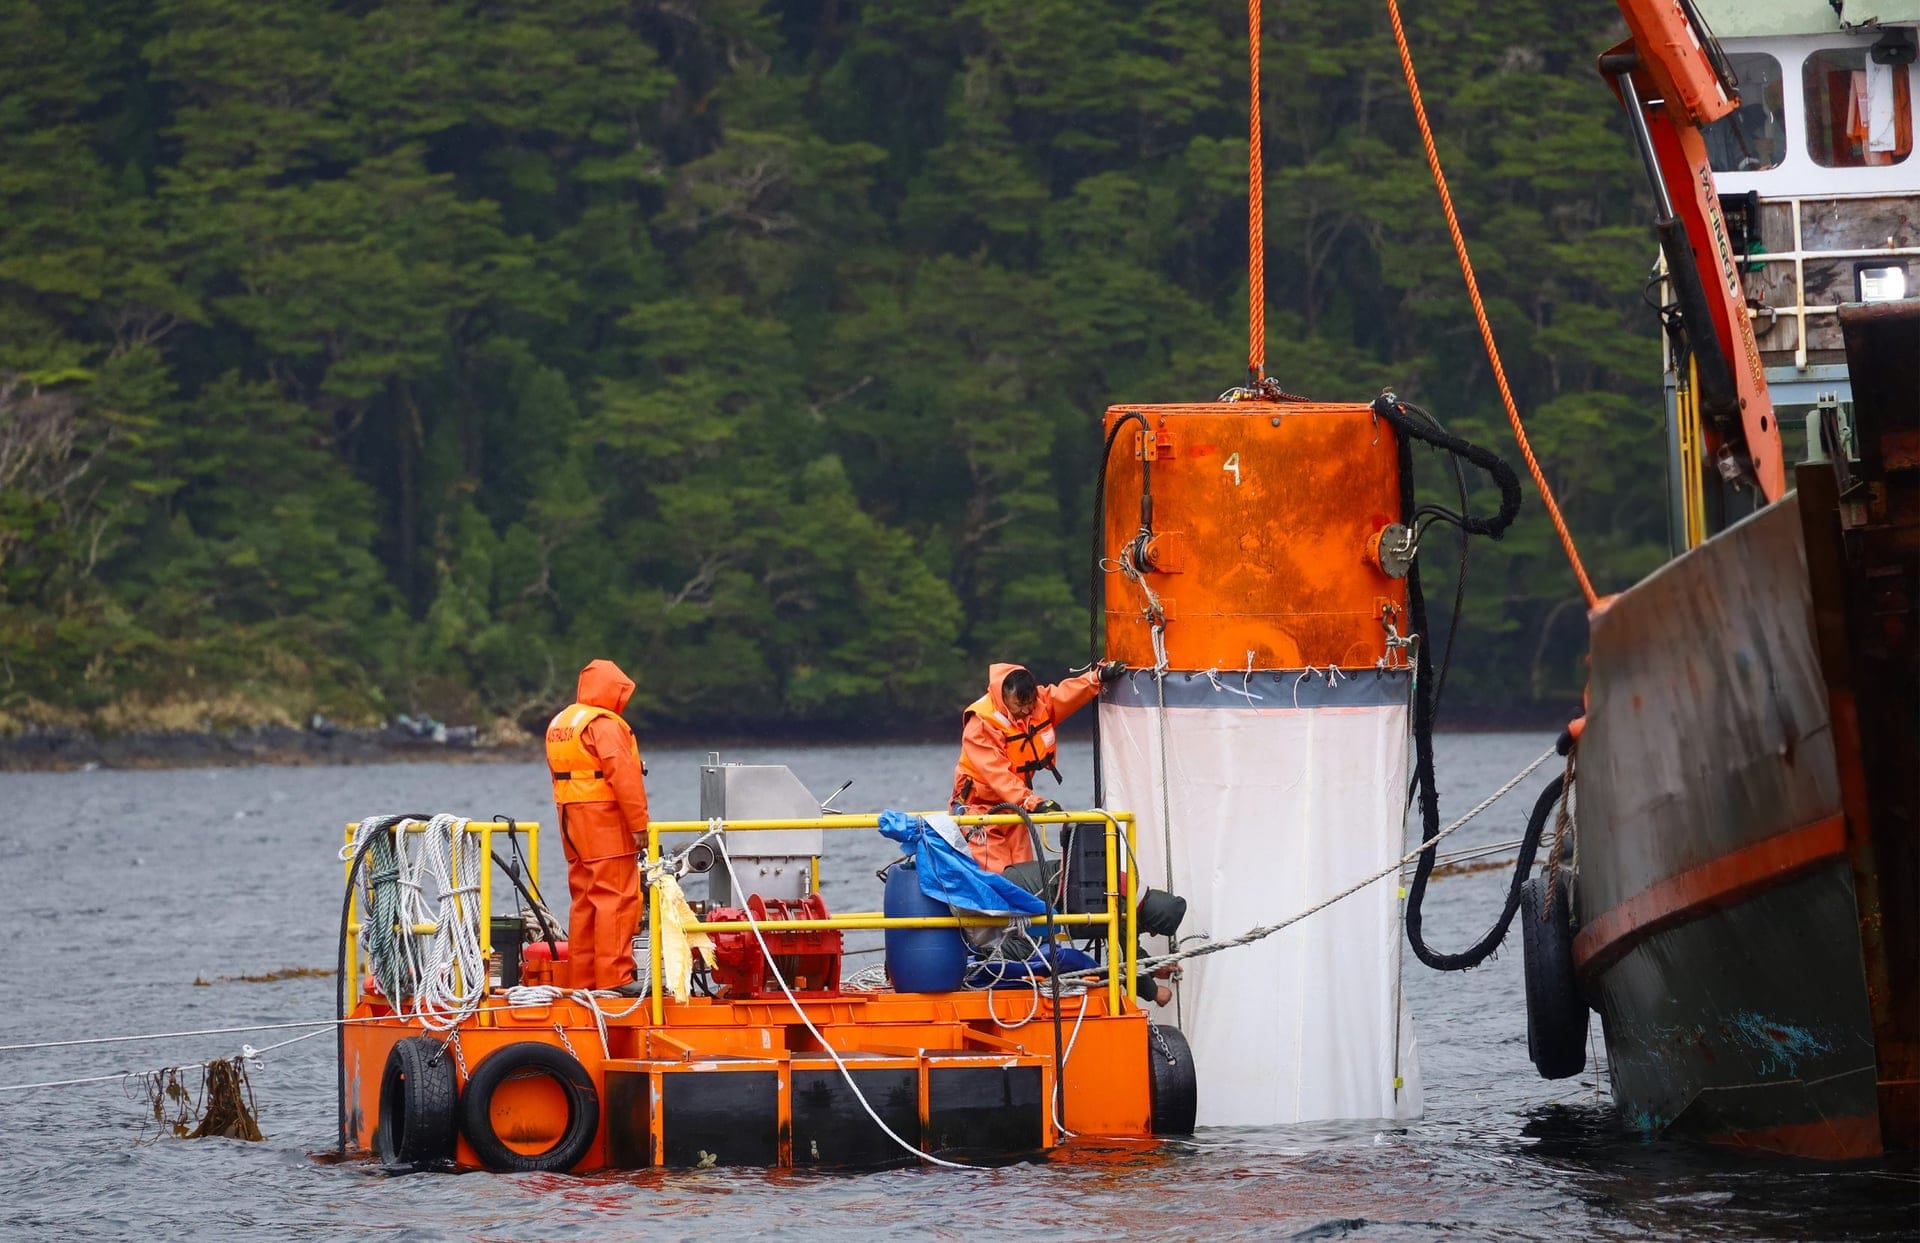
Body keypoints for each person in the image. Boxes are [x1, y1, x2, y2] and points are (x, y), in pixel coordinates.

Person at [948, 660, 1124, 872]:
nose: (1026, 710)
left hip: (1013, 808)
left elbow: (1067, 694)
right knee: (995, 875)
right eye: (1019, 705)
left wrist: (1097, 677)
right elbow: (996, 775)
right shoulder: (981, 723)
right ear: (1003, 696)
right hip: (979, 809)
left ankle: (1031, 903)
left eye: (1029, 703)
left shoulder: (1037, 704)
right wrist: (1031, 802)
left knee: (1025, 871)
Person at [546, 659, 650, 996]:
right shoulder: (605, 725)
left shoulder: (562, 723)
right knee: (616, 897)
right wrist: (640, 825)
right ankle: (615, 979)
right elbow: (625, 777)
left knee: (585, 899)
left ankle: (583, 978)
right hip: (605, 822)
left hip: (571, 821)